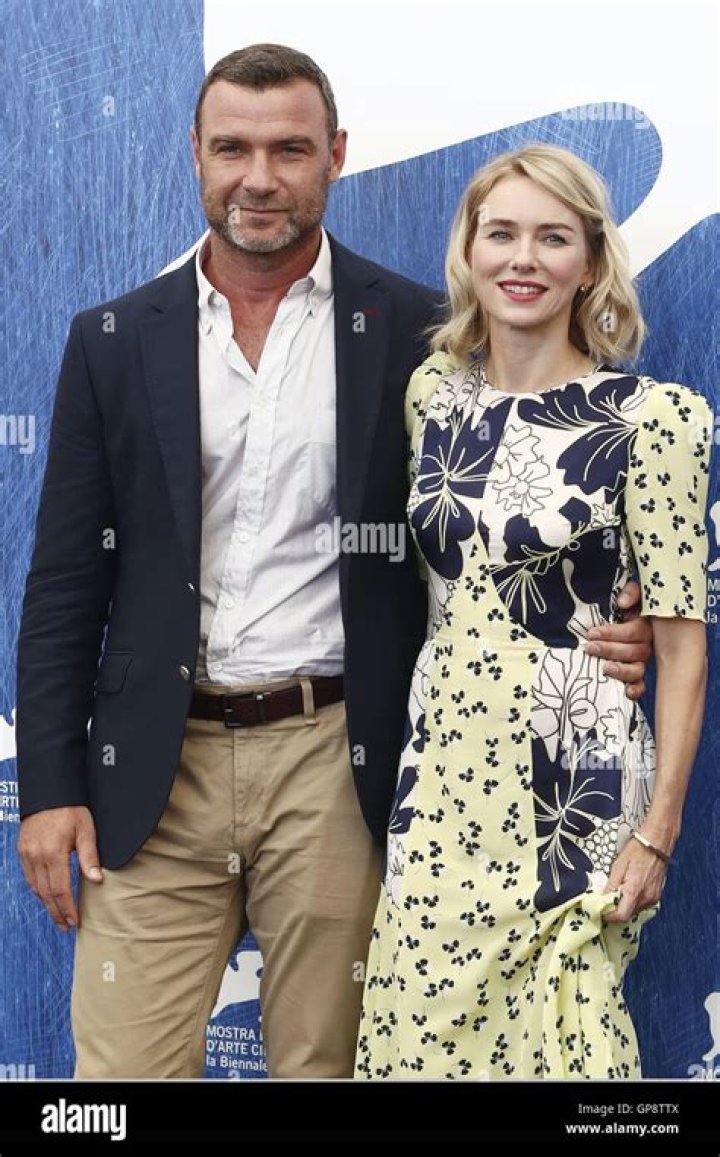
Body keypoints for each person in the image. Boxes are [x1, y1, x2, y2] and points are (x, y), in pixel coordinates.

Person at [15, 47, 651, 1080]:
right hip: (152, 766)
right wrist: (48, 784)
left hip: (338, 755)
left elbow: (515, 501)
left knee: (324, 1070)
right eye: (233, 148)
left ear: (335, 155)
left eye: (290, 150)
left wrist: (606, 612)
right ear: (194, 154)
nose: (259, 177)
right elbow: (62, 583)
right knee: (122, 1077)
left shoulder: (423, 335)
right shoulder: (114, 339)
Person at [355, 144, 710, 1080]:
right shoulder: (433, 397)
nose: (523, 258)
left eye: (552, 238)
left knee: (565, 1045)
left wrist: (659, 832)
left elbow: (682, 645)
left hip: (574, 777)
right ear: (469, 251)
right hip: (440, 774)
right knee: (421, 1037)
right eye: (501, 233)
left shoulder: (652, 420)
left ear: (589, 262)